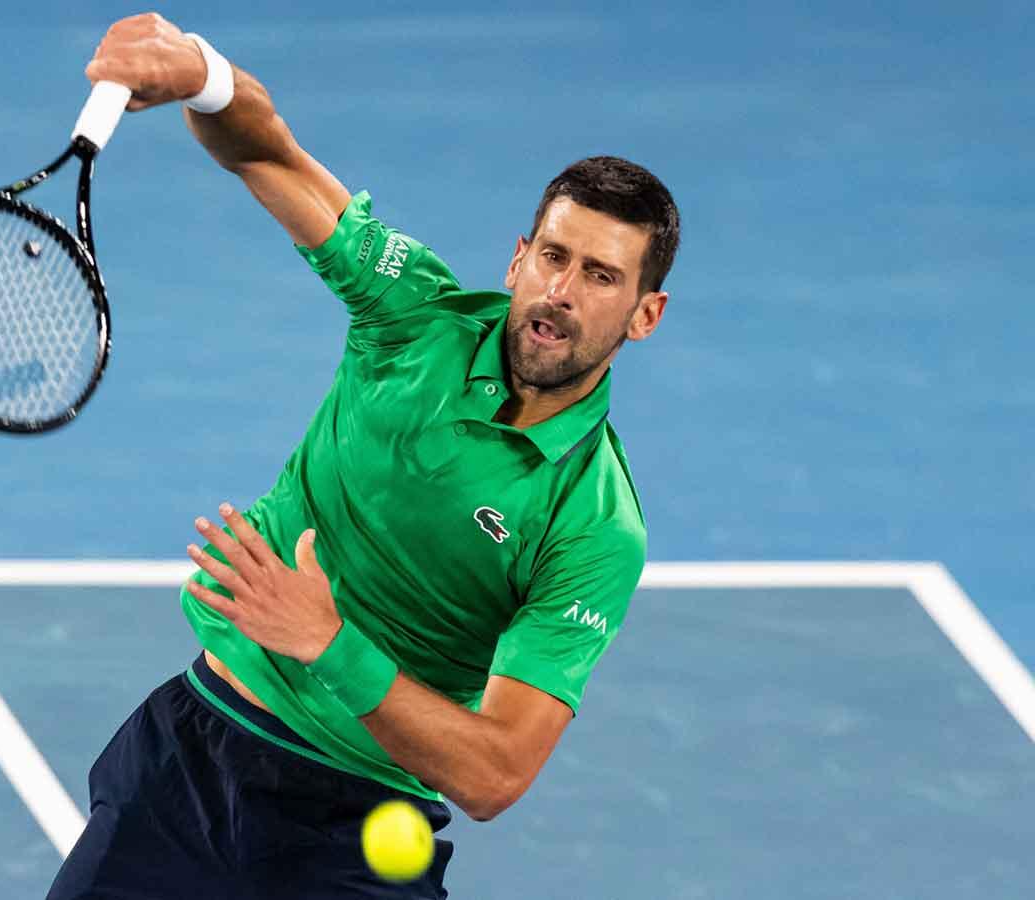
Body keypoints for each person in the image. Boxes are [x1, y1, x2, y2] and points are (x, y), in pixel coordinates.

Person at [48, 13, 679, 900]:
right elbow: (264, 153)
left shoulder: (594, 524)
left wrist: (327, 641)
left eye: (601, 276)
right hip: (194, 760)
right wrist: (201, 71)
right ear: (517, 260)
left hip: (357, 832)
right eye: (552, 257)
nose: (561, 293)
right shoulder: (411, 314)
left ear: (645, 315)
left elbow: (496, 773)